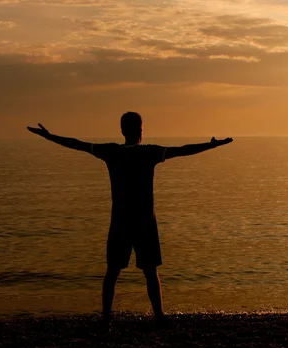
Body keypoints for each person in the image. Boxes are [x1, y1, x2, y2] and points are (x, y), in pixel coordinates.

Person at [27, 112, 233, 331]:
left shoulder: (111, 151)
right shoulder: (148, 152)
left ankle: (106, 318)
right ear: (140, 131)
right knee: (150, 271)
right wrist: (211, 146)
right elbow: (182, 151)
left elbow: (78, 144)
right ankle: (158, 317)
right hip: (144, 222)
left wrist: (49, 136)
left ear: (123, 131)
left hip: (120, 222)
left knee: (113, 271)